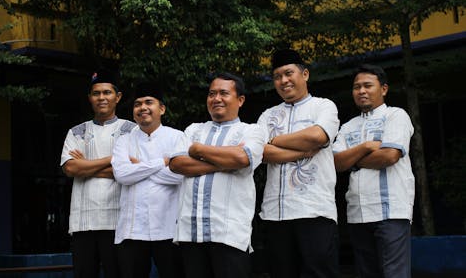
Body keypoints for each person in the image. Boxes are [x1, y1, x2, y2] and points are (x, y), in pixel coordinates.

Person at [169, 72, 266, 278]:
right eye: (212, 94)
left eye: (224, 93)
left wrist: (198, 151)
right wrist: (224, 162)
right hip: (191, 232)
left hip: (229, 232)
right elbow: (177, 163)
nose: (216, 99)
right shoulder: (193, 130)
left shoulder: (252, 131)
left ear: (240, 100)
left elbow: (242, 159)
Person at [257, 49, 340, 278]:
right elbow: (261, 152)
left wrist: (274, 140)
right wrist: (300, 152)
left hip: (314, 210)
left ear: (305, 74)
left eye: (288, 73)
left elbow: (317, 136)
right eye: (277, 76)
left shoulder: (324, 106)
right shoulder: (268, 115)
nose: (283, 80)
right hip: (275, 213)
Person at [332, 64, 414, 278]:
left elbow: (389, 156)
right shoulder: (348, 126)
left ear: (383, 89)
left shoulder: (396, 115)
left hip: (391, 210)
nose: (361, 91)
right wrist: (367, 147)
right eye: (356, 87)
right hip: (358, 212)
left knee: (394, 274)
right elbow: (336, 163)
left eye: (368, 85)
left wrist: (354, 160)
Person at [60, 70, 135, 278]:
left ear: (117, 97)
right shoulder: (77, 131)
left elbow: (130, 170)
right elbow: (70, 169)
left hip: (119, 222)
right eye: (96, 93)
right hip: (83, 222)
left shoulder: (131, 130)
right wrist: (112, 160)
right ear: (90, 98)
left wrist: (85, 165)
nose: (101, 98)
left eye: (107, 92)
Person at [111, 83, 185, 278]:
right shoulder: (124, 140)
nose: (142, 107)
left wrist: (139, 166)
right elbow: (122, 175)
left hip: (169, 228)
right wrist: (161, 162)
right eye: (137, 104)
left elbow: (180, 176)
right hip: (132, 229)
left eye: (148, 102)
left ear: (161, 108)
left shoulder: (178, 137)